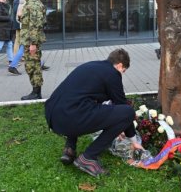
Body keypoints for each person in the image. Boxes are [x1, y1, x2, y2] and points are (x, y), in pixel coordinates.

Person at [44, 48, 143, 177]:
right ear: (119, 65)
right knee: (128, 112)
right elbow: (123, 108)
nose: (121, 75)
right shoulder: (112, 74)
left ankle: (69, 149)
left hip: (53, 116)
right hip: (70, 119)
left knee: (78, 104)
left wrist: (116, 126)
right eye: (123, 71)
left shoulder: (91, 66)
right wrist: (134, 141)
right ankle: (88, 158)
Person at [16, 0, 47, 100]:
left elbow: (35, 25)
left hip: (31, 41)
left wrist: (33, 43)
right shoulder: (29, 3)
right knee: (30, 66)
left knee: (33, 66)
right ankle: (35, 91)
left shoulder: (34, 4)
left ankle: (36, 92)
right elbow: (27, 22)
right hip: (28, 40)